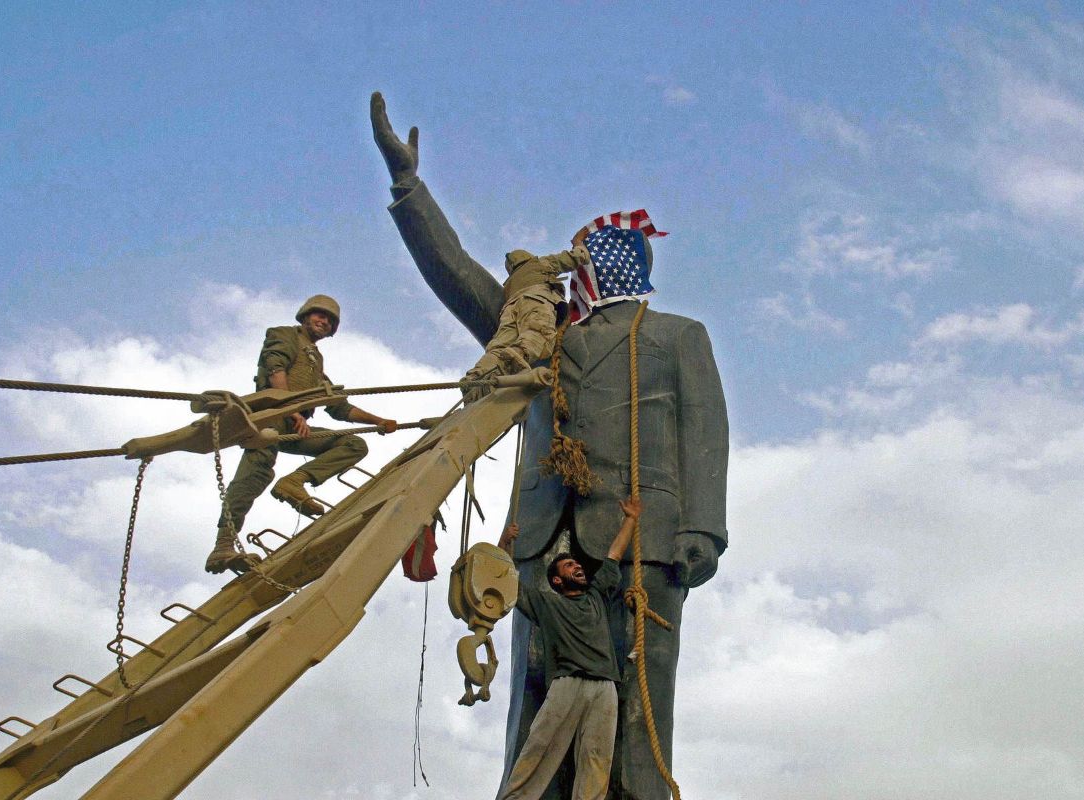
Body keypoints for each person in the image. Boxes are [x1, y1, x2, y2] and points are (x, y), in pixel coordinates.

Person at [370, 92, 730, 800]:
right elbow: (464, 279)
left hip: (643, 543)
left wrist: (703, 531)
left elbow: (705, 434)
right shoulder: (544, 339)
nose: (576, 270)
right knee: (536, 707)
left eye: (590, 258)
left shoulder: (676, 336)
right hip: (541, 544)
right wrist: (410, 189)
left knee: (639, 698)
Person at [205, 294, 398, 574]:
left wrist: (378, 421)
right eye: (320, 315)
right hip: (269, 419)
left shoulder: (315, 361)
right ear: (305, 316)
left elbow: (337, 406)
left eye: (330, 321)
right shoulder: (284, 335)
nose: (324, 321)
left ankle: (294, 482)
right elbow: (275, 370)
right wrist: (292, 411)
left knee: (353, 444)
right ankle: (223, 546)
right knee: (255, 474)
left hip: (295, 427)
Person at [495, 497, 641, 800]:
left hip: (604, 687)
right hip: (567, 683)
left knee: (597, 760)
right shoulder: (546, 604)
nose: (577, 567)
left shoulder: (597, 596)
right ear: (558, 579)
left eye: (576, 564)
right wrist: (503, 543)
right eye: (569, 565)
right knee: (540, 749)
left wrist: (630, 518)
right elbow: (506, 581)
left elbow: (613, 555)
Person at [461, 245, 589, 403]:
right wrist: (582, 252)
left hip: (509, 310)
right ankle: (517, 356)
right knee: (538, 334)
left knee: (498, 346)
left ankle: (475, 378)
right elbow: (567, 260)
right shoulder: (538, 263)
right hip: (535, 300)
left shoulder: (509, 283)